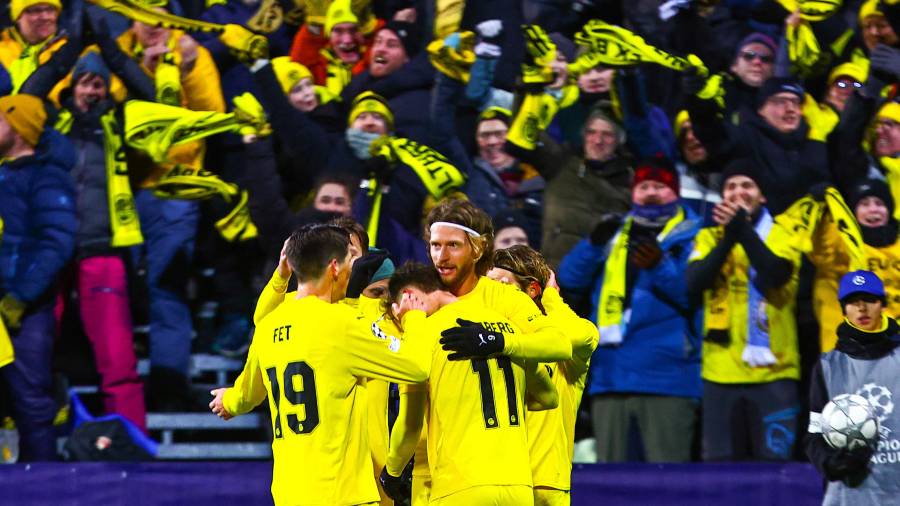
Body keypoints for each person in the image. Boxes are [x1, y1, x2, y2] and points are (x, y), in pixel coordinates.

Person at [209, 224, 430, 505]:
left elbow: (247, 395)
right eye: (350, 262)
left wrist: (227, 401)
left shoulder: (268, 326)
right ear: (335, 267)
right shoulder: (342, 324)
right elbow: (416, 367)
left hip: (290, 494)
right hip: (342, 494)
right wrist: (413, 317)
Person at [558, 158, 702, 463]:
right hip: (611, 375)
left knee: (667, 482)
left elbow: (693, 295)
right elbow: (569, 279)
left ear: (675, 192)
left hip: (668, 377)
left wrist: (659, 266)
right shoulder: (613, 232)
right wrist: (592, 244)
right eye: (644, 186)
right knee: (614, 481)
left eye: (660, 186)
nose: (651, 193)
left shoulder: (696, 235)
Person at [382, 262, 558, 506]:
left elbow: (410, 424)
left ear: (408, 298)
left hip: (460, 485)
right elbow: (549, 398)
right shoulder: (507, 327)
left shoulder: (424, 335)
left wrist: (392, 471)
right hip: (518, 487)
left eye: (398, 316)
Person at [686, 160, 803, 461]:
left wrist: (743, 230)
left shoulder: (784, 233)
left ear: (762, 195)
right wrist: (731, 236)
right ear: (722, 196)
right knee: (720, 475)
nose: (739, 192)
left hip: (775, 374)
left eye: (747, 185)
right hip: (719, 375)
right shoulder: (708, 237)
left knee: (776, 473)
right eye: (731, 186)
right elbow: (695, 282)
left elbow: (776, 274)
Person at [488, 245, 598, 506]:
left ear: (532, 290)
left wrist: (552, 299)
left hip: (544, 485)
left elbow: (579, 336)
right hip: (494, 484)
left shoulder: (564, 349)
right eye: (487, 286)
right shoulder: (483, 340)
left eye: (502, 285)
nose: (492, 295)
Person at [0, 94, 77, 460]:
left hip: (24, 311)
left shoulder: (47, 178)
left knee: (30, 402)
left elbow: (56, 242)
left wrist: (20, 297)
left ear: (19, 128)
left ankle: (42, 485)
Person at [806, 270, 900, 505]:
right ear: (843, 309)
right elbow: (814, 433)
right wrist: (831, 463)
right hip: (851, 494)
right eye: (852, 301)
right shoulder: (828, 366)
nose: (861, 308)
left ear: (883, 305)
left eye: (869, 299)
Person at [0, 0, 66, 95]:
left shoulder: (68, 51)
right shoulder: (2, 49)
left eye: (50, 10)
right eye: (35, 10)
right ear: (18, 17)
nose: (45, 17)